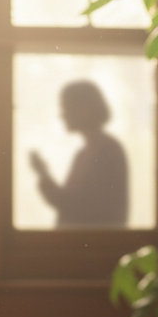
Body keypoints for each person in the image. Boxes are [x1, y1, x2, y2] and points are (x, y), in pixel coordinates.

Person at [29, 80, 129, 228]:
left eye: (66, 108)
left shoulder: (107, 151)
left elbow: (75, 207)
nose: (62, 115)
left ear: (84, 110)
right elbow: (71, 204)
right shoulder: (87, 153)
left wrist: (43, 175)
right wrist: (43, 174)